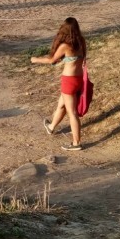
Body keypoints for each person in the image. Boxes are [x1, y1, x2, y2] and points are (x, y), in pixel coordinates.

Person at [30, 17, 87, 151]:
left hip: (68, 80)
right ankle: (51, 127)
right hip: (79, 78)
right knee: (61, 104)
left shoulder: (65, 46)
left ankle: (76, 143)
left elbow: (51, 60)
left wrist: (35, 60)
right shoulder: (81, 42)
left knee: (72, 113)